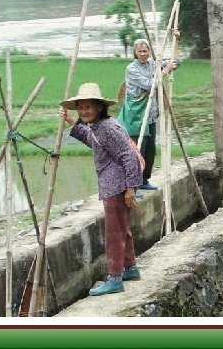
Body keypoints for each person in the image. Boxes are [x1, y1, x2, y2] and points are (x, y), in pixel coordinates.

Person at [60, 82, 143, 296]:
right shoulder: (99, 127)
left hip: (116, 186)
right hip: (113, 185)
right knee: (123, 229)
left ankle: (114, 278)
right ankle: (130, 268)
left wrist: (131, 188)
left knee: (114, 233)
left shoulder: (107, 127)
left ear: (99, 107)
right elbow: (93, 140)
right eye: (80, 107)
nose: (84, 111)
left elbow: (129, 156)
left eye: (89, 107)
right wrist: (72, 122)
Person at [117, 37, 178, 191]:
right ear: (135, 53)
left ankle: (144, 180)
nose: (143, 54)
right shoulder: (132, 69)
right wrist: (164, 71)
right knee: (137, 149)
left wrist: (175, 39)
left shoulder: (152, 63)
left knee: (150, 150)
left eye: (146, 51)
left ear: (149, 52)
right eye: (140, 51)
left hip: (149, 113)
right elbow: (149, 84)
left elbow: (175, 62)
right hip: (136, 115)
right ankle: (132, 186)